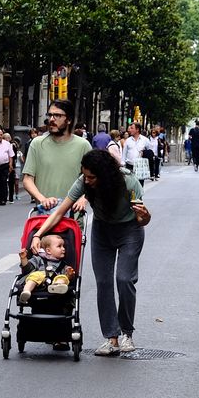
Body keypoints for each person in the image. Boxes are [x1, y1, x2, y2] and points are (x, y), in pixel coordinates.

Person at [30, 149, 151, 356]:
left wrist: (145, 216)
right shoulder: (83, 182)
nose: (87, 180)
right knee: (103, 282)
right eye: (85, 175)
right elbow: (60, 211)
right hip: (102, 231)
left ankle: (127, 334)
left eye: (92, 177)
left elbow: (143, 220)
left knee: (124, 279)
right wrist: (38, 234)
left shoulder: (128, 183)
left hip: (129, 230)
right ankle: (111, 338)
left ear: (105, 174)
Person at [22, 99, 90, 215]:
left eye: (57, 115)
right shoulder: (37, 144)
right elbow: (28, 179)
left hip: (73, 217)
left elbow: (93, 180)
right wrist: (43, 199)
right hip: (45, 214)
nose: (52, 119)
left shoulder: (83, 145)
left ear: (69, 119)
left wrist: (83, 198)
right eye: (50, 115)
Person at [17, 234, 75, 302]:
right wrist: (23, 259)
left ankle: (57, 286)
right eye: (59, 246)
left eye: (63, 246)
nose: (63, 249)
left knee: (62, 278)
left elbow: (68, 277)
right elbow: (28, 269)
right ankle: (26, 291)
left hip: (55, 280)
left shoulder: (63, 264)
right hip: (39, 280)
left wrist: (69, 274)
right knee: (34, 276)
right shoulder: (38, 259)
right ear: (48, 251)